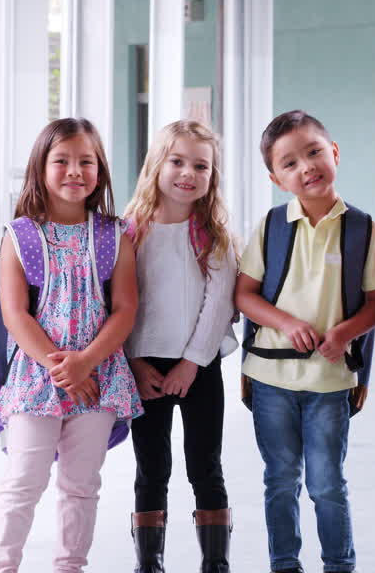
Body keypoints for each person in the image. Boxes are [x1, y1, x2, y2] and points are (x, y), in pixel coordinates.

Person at [235, 110, 375, 573]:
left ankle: (338, 565)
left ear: (334, 153)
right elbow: (244, 295)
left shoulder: (362, 230)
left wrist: (344, 333)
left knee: (327, 484)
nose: (306, 167)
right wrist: (285, 322)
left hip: (330, 381)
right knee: (280, 480)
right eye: (290, 163)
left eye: (314, 152)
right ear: (276, 179)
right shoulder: (270, 227)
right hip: (270, 378)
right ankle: (285, 564)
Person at [0, 118, 143, 573]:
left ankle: (70, 566)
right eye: (62, 161)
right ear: (40, 168)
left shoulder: (116, 235)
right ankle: (3, 567)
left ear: (100, 171)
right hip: (38, 379)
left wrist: (86, 363)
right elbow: (14, 313)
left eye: (85, 162)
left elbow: (125, 308)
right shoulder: (20, 235)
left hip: (98, 379)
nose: (74, 170)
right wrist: (62, 368)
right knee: (22, 482)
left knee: (81, 484)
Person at [123, 120, 239, 573]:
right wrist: (133, 360)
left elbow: (217, 305)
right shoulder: (130, 232)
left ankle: (215, 563)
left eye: (200, 165)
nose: (187, 172)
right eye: (177, 161)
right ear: (157, 165)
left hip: (199, 367)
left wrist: (191, 363)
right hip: (145, 368)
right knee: (151, 470)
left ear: (212, 177)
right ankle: (149, 563)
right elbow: (122, 301)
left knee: (205, 466)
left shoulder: (214, 236)